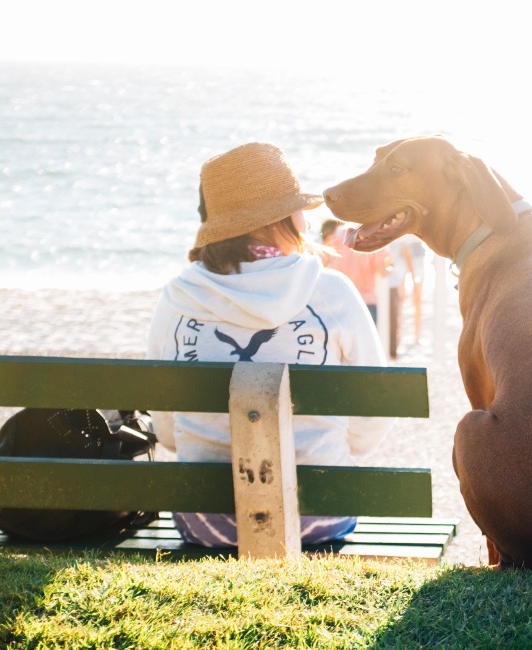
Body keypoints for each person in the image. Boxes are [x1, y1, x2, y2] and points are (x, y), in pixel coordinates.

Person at [147, 142, 394, 547]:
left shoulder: (178, 297)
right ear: (285, 218)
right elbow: (375, 409)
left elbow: (168, 433)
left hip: (205, 520)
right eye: (298, 208)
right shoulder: (329, 290)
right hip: (319, 513)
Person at [322, 219, 391, 324]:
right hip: (366, 303)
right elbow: (384, 272)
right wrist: (390, 265)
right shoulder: (376, 236)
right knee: (367, 340)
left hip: (341, 301)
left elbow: (325, 259)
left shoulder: (340, 233)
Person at [386, 233, 427, 356]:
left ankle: (414, 336)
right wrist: (414, 274)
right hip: (404, 260)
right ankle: (405, 336)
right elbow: (405, 249)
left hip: (412, 260)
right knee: (405, 300)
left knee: (413, 300)